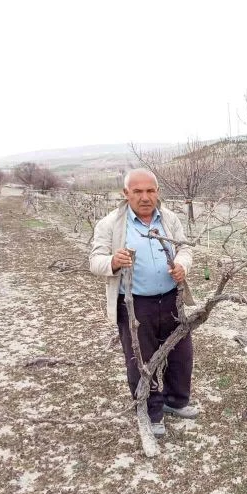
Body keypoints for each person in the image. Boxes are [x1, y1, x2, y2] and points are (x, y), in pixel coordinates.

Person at [89, 168, 197, 438]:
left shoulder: (169, 219)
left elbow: (185, 247)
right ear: (126, 194)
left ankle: (176, 401)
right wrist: (113, 262)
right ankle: (151, 412)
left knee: (180, 356)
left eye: (150, 190)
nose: (145, 197)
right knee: (141, 361)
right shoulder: (111, 224)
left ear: (157, 192)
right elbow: (95, 260)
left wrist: (182, 265)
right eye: (137, 191)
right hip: (135, 306)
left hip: (173, 300)